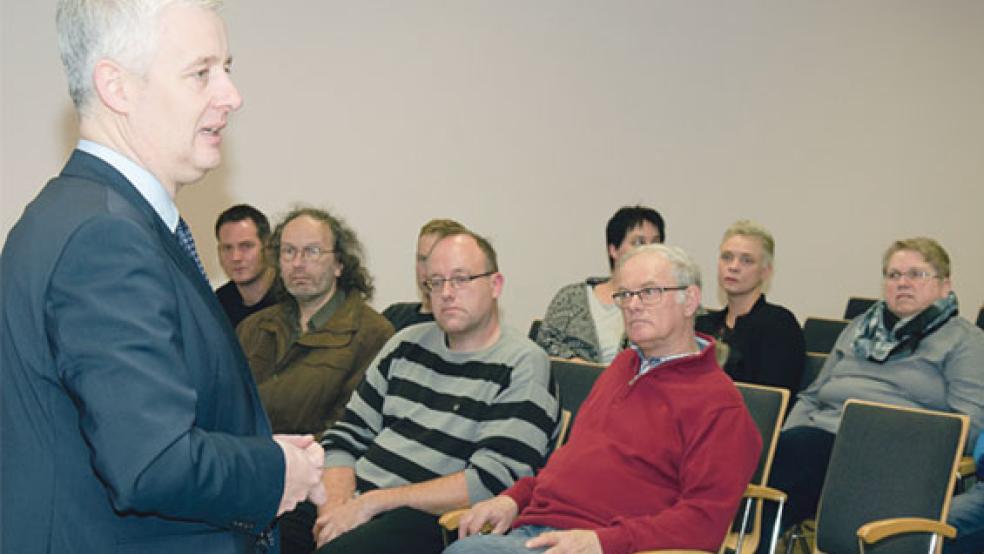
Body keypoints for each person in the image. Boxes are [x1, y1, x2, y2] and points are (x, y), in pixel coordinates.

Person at [0, 2, 325, 553]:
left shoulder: (87, 214)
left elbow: (135, 422)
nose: (232, 95)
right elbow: (152, 462)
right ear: (117, 87)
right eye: (201, 72)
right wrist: (276, 471)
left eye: (227, 67)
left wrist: (255, 450)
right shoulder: (105, 238)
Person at [446, 244, 762, 554]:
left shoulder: (720, 406)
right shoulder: (622, 367)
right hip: (534, 532)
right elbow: (569, 465)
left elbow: (703, 524)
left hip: (605, 544)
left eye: (649, 292)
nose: (633, 305)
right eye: (624, 294)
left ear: (690, 300)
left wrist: (603, 542)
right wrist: (513, 498)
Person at [313, 230, 560, 554]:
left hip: (426, 519)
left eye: (460, 279)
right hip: (352, 500)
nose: (446, 293)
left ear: (495, 285)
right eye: (435, 282)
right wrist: (334, 507)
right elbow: (347, 435)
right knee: (255, 525)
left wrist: (372, 504)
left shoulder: (523, 365)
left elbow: (489, 483)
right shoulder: (405, 344)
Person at [758, 237, 984, 554]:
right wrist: (789, 434)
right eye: (893, 275)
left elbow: (970, 423)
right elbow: (812, 396)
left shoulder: (965, 340)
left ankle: (740, 538)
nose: (902, 283)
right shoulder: (860, 329)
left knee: (779, 471)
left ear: (945, 285)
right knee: (776, 456)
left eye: (916, 275)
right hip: (819, 441)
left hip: (891, 454)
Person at [236, 207, 394, 554]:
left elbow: (353, 432)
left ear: (339, 264)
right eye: (288, 252)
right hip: (243, 472)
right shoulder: (253, 328)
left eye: (311, 252)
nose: (297, 263)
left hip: (312, 487)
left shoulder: (371, 335)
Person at [535, 205, 666, 364]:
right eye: (638, 242)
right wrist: (576, 364)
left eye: (655, 243)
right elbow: (543, 345)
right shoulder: (571, 297)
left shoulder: (669, 301)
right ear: (614, 250)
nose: (649, 250)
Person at [696, 220, 805, 392]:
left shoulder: (779, 325)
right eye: (727, 257)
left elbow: (768, 401)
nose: (733, 267)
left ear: (765, 271)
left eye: (747, 260)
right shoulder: (701, 325)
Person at [382, 218, 468, 331]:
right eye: (422, 259)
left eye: (436, 260)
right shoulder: (394, 316)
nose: (427, 270)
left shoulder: (462, 325)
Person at [215, 203, 280, 327]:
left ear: (268, 247)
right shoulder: (219, 304)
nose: (236, 257)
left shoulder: (293, 298)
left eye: (246, 246)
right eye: (227, 248)